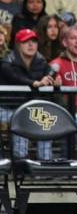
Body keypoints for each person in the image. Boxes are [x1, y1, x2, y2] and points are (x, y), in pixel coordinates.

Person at [0, 28, 59, 159]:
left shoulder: (41, 61)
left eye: (34, 41)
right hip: (7, 109)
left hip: (31, 109)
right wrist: (35, 83)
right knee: (22, 120)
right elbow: (15, 78)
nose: (31, 45)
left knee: (45, 121)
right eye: (26, 42)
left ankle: (45, 163)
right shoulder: (7, 61)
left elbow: (51, 72)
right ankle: (20, 163)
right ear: (18, 45)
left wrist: (54, 80)